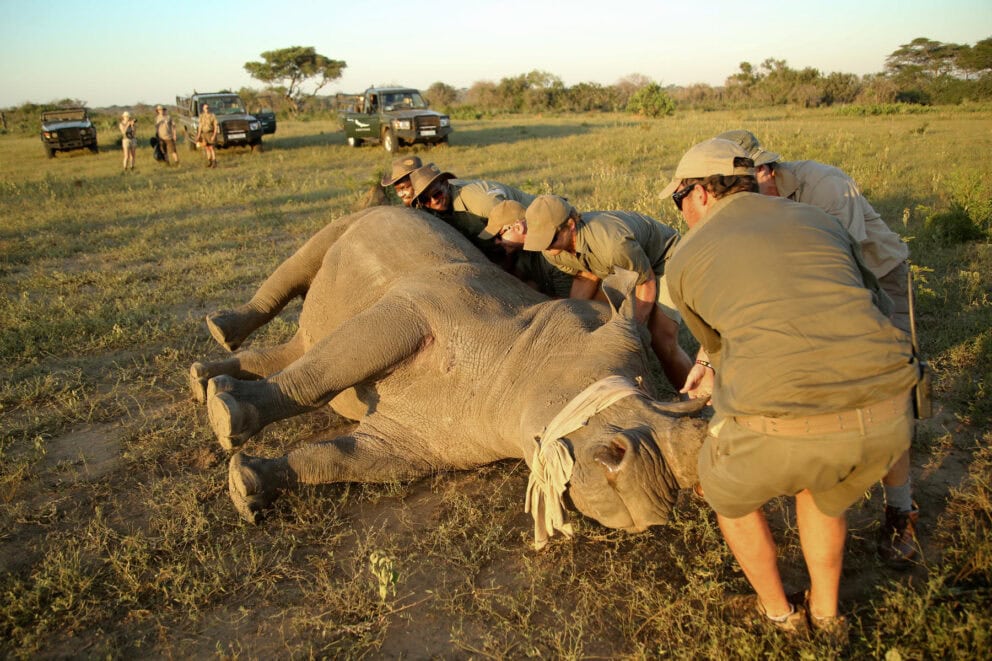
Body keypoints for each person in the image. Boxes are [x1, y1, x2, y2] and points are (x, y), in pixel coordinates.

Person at [661, 138, 918, 640]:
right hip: (888, 417)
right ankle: (826, 613)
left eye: (678, 199)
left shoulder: (685, 256)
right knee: (820, 487)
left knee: (726, 493)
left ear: (701, 194)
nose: (681, 210)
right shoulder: (819, 220)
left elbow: (719, 348)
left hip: (788, 426)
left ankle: (780, 614)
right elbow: (876, 306)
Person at [715, 129, 919, 565]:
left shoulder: (827, 186)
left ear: (766, 170)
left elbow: (844, 265)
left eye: (745, 185)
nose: (737, 197)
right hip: (808, 294)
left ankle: (901, 510)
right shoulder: (747, 204)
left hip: (876, 279)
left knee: (891, 390)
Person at [518, 195, 694, 393]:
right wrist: (572, 315)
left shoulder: (612, 243)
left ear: (570, 225)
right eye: (541, 240)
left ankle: (694, 395)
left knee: (661, 338)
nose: (547, 247)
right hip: (624, 268)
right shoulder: (552, 251)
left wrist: (631, 328)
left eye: (551, 238)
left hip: (665, 259)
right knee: (600, 321)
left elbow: (646, 282)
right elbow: (585, 275)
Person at [406, 162, 536, 257]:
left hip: (533, 224)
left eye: (437, 194)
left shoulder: (483, 203)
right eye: (426, 199)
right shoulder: (427, 209)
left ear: (446, 184)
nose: (434, 201)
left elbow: (522, 233)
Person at [479, 200, 573, 298]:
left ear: (518, 227)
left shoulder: (552, 249)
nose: (497, 242)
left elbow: (569, 298)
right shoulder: (523, 252)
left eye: (499, 235)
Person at [195, 103, 219, 168]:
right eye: (206, 108)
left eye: (208, 108)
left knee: (211, 148)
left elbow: (215, 126)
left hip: (210, 133)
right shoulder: (201, 116)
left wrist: (214, 135)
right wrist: (198, 135)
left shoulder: (212, 116)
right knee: (207, 148)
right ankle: (209, 161)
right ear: (203, 109)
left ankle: (214, 162)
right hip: (204, 134)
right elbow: (200, 126)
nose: (207, 109)